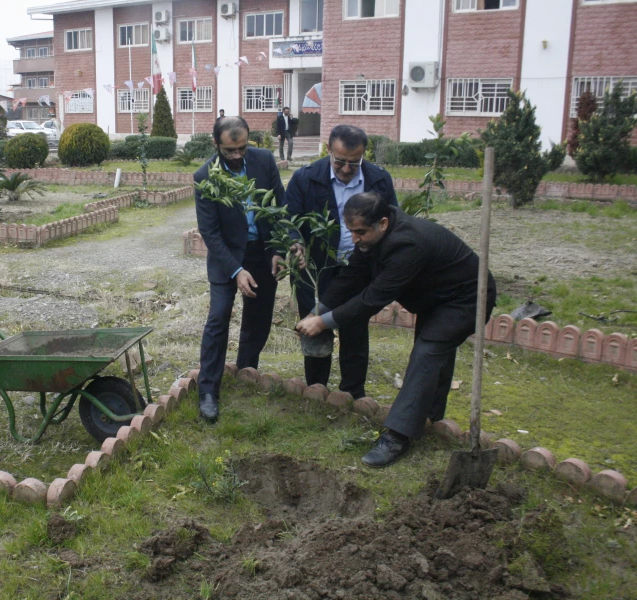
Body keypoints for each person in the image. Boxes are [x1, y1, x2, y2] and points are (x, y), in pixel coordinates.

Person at [296, 192, 496, 468]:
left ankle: (398, 437)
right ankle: (432, 418)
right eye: (351, 231)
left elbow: (372, 298)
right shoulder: (372, 240)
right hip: (436, 296)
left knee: (428, 352)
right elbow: (352, 277)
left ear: (384, 223)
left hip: (467, 297)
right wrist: (317, 310)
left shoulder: (407, 244)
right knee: (437, 352)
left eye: (360, 232)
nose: (354, 238)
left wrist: (323, 322)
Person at [286, 125, 397, 396]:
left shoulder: (378, 180)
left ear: (363, 155)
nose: (346, 168)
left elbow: (391, 221)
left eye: (354, 162)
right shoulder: (305, 178)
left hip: (359, 269)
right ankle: (316, 389)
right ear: (328, 151)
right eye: (340, 161)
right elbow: (288, 219)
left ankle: (352, 392)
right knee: (315, 327)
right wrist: (295, 241)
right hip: (315, 269)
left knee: (355, 329)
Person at [194, 116, 286, 423]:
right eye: (230, 150)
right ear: (216, 144)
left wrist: (276, 250)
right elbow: (211, 234)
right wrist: (236, 270)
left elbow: (277, 209)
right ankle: (208, 390)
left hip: (262, 253)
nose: (237, 156)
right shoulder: (205, 176)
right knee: (218, 317)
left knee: (258, 318)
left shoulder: (264, 161)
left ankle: (246, 370)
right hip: (226, 258)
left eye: (242, 148)